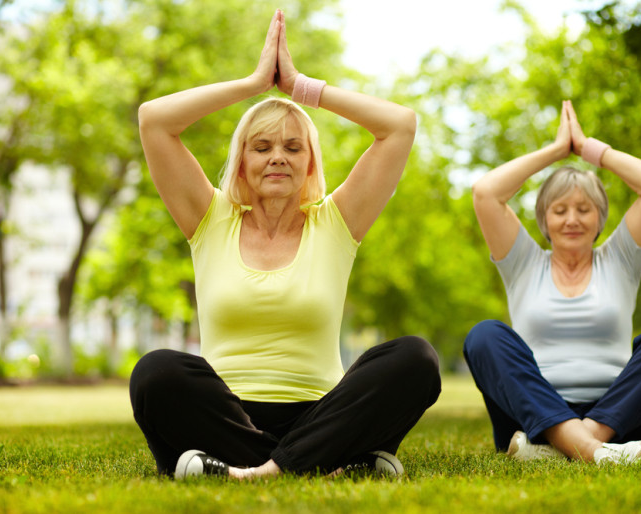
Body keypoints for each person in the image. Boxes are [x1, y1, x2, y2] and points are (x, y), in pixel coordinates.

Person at [129, 10, 441, 480]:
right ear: (241, 162)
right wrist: (255, 84)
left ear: (310, 162)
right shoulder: (210, 219)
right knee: (156, 372)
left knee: (416, 359)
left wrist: (300, 88)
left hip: (324, 413)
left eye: (293, 147)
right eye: (262, 147)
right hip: (226, 415)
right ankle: (326, 463)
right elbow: (154, 121)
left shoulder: (337, 221)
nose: (278, 156)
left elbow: (399, 125)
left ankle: (253, 471)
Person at [464, 100, 641, 464]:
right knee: (484, 336)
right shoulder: (524, 263)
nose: (571, 219)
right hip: (531, 413)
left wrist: (591, 149)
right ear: (544, 220)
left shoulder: (620, 258)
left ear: (600, 217)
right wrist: (556, 150)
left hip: (622, 417)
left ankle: (562, 447)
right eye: (559, 210)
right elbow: (485, 193)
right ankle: (595, 453)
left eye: (584, 209)